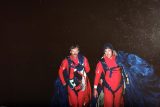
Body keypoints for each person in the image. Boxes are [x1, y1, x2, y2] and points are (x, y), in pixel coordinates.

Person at [93, 43, 160, 107]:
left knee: (117, 105)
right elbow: (97, 75)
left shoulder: (119, 59)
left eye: (109, 50)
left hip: (119, 88)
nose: (107, 53)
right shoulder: (102, 62)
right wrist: (95, 88)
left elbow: (128, 63)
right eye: (105, 51)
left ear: (112, 51)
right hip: (108, 89)